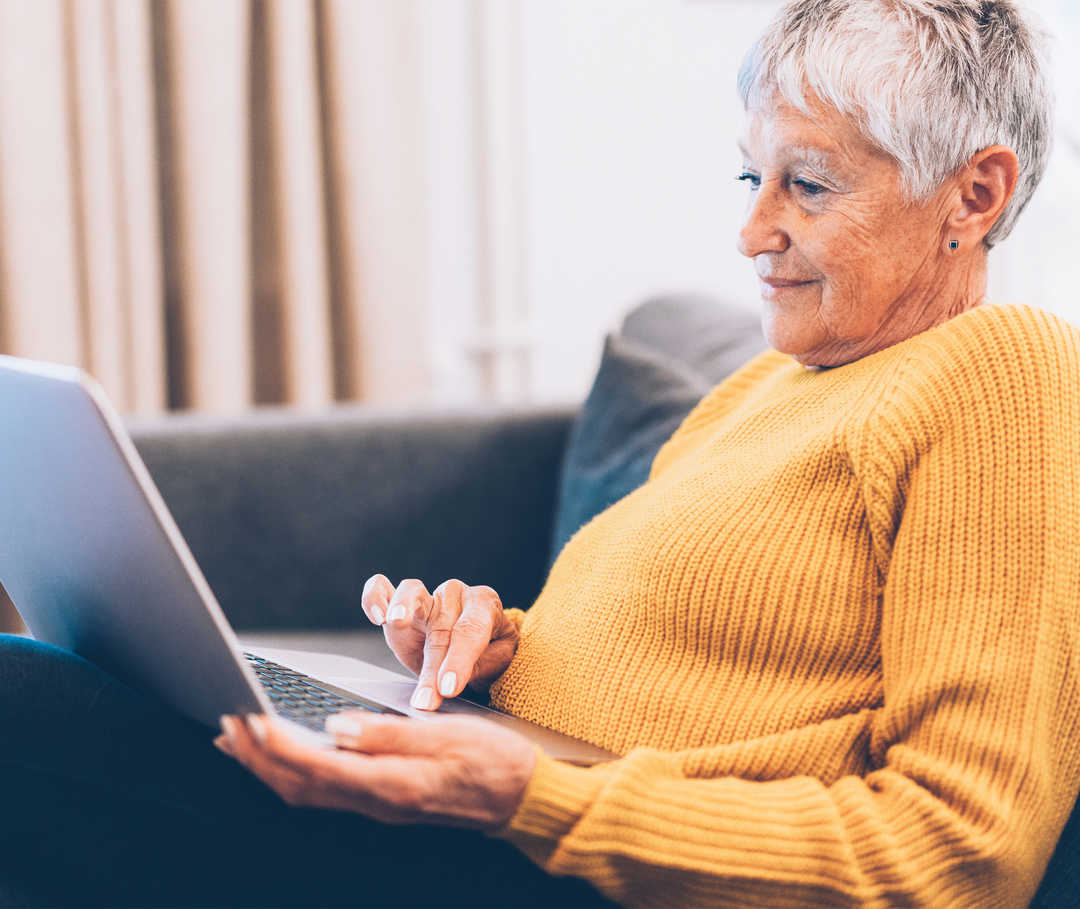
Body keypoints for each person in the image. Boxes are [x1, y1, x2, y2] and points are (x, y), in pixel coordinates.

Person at [2, 0, 1078, 906]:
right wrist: (494, 646)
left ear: (975, 194)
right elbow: (710, 663)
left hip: (570, 869)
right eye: (752, 179)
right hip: (496, 822)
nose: (752, 233)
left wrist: (527, 797)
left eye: (810, 185)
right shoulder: (764, 388)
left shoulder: (1006, 373)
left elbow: (962, 851)